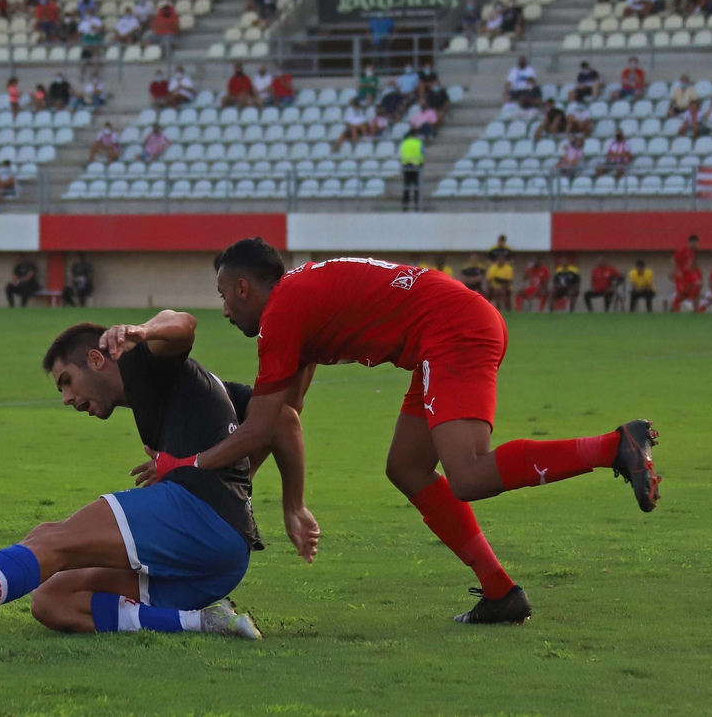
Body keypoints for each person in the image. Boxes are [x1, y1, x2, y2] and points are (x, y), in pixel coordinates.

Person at [153, 240, 662, 625]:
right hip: (442, 331)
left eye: (223, 295)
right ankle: (500, 593)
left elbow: (263, 424)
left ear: (244, 288)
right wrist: (282, 501)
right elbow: (285, 417)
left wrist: (186, 469)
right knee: (407, 467)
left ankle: (615, 446)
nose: (223, 310)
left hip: (452, 331)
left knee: (467, 474)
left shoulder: (282, 314)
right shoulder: (296, 300)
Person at [0, 317, 265, 646]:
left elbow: (183, 325)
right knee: (54, 600)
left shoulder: (146, 362)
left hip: (202, 522)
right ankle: (204, 621)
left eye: (67, 381)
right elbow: (275, 417)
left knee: (55, 539)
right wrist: (208, 474)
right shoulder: (176, 392)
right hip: (217, 565)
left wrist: (142, 329)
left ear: (97, 359)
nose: (67, 398)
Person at [399, 133, 422, 211]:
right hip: (416, 166)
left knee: (406, 187)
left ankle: (405, 206)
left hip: (406, 166)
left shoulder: (404, 143)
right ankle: (417, 206)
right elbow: (422, 154)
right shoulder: (418, 143)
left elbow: (402, 154)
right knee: (417, 187)